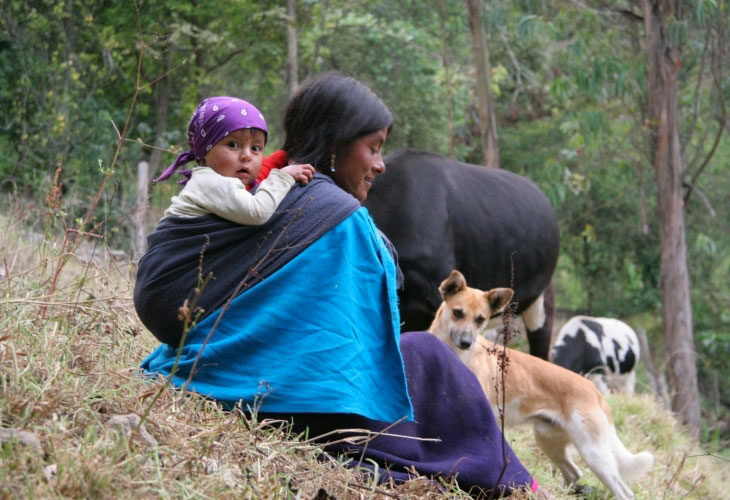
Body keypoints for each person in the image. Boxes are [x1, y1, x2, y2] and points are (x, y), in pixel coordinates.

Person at [135, 73, 552, 498]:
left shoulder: (271, 192)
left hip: (216, 366)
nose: (380, 164)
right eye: (372, 148)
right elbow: (339, 352)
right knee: (430, 356)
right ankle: (516, 481)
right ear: (335, 146)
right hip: (298, 400)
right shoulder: (341, 221)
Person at [154, 96, 314, 225]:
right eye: (233, 144)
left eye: (255, 148)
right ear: (205, 151)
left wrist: (290, 152)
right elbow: (258, 213)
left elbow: (267, 164)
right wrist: (283, 177)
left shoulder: (233, 178)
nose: (247, 156)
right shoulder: (210, 182)